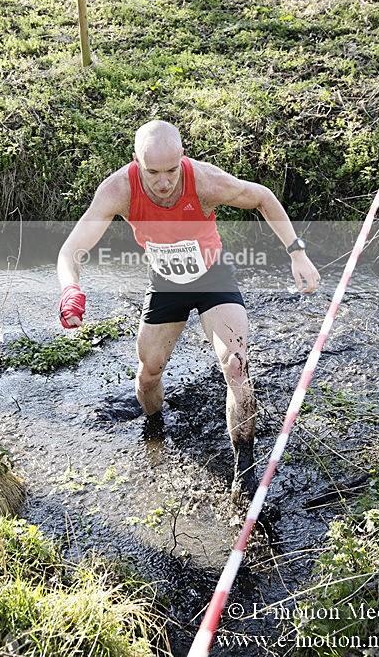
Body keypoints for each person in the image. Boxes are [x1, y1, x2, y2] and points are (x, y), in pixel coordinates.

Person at [57, 120, 320, 502]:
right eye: (153, 173)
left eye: (171, 171)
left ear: (182, 159)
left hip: (212, 275)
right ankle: (154, 429)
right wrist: (70, 289)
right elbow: (70, 251)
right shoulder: (119, 190)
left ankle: (244, 472)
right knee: (148, 375)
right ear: (136, 162)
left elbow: (262, 196)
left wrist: (297, 252)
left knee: (235, 364)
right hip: (165, 283)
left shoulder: (204, 182)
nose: (164, 183)